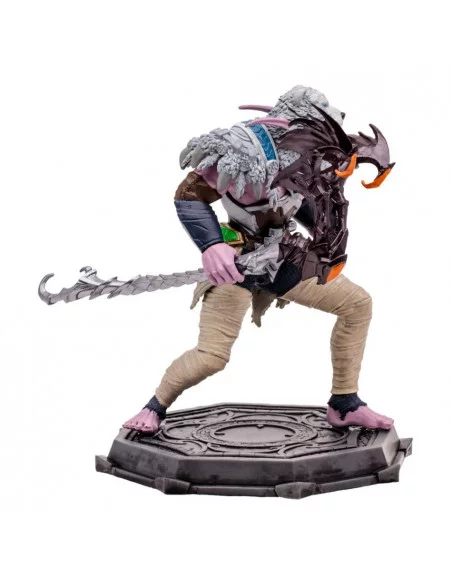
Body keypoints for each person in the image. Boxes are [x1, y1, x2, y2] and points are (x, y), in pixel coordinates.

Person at [123, 85, 395, 434]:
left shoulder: (310, 156)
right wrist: (212, 246)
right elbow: (188, 195)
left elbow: (302, 205)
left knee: (357, 305)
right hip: (236, 265)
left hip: (282, 258)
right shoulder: (242, 151)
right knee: (212, 356)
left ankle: (344, 404)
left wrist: (327, 231)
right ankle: (154, 407)